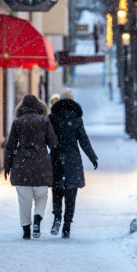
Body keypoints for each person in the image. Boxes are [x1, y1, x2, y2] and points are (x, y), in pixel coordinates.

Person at [4, 94, 58, 240]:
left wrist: (7, 165)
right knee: (41, 196)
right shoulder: (44, 121)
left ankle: (26, 230)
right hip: (41, 166)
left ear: (22, 108)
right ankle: (37, 220)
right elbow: (53, 142)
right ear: (39, 107)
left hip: (22, 167)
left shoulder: (17, 122)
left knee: (24, 201)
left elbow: (10, 146)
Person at [48, 88, 98, 239]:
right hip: (73, 159)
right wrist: (92, 157)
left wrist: (52, 149)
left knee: (57, 190)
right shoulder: (76, 119)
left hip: (56, 157)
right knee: (71, 194)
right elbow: (83, 140)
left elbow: (48, 138)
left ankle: (57, 217)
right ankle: (66, 227)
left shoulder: (53, 117)